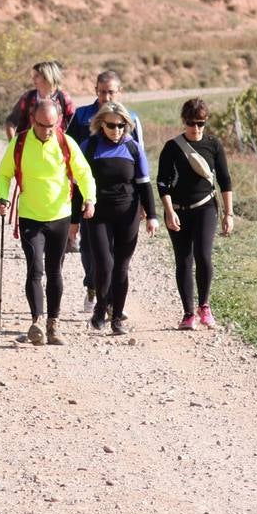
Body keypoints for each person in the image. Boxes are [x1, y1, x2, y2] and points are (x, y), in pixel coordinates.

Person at [0, 99, 95, 345]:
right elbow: (3, 173)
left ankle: (53, 324)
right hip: (30, 216)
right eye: (43, 125)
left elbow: (84, 173)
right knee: (35, 269)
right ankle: (37, 322)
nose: (48, 130)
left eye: (53, 124)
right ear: (32, 120)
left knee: (54, 270)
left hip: (60, 216)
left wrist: (90, 199)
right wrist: (2, 197)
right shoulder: (19, 143)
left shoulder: (65, 143)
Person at [66, 70, 145, 313]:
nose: (106, 96)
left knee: (115, 254)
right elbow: (69, 149)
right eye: (102, 91)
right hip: (91, 196)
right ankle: (92, 286)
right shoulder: (81, 116)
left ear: (119, 92)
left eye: (111, 91)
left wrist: (143, 204)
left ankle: (110, 301)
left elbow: (139, 158)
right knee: (91, 250)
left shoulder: (129, 117)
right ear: (96, 91)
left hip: (122, 199)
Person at [157, 98, 234, 331]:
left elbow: (224, 179)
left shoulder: (213, 145)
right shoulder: (172, 147)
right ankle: (188, 313)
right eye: (191, 123)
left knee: (203, 256)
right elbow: (162, 183)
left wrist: (229, 213)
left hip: (205, 208)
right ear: (184, 121)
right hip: (178, 211)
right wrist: (169, 212)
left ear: (206, 121)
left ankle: (204, 306)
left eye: (200, 123)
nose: (196, 128)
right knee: (183, 260)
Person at [81, 102, 158, 335]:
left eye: (122, 126)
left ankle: (116, 319)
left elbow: (144, 185)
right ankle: (101, 308)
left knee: (121, 267)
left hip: (128, 214)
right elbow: (79, 184)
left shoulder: (133, 148)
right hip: (98, 214)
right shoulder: (90, 146)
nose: (117, 131)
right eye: (112, 126)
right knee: (104, 265)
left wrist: (152, 216)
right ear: (101, 124)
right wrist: (75, 218)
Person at [4, 60, 75, 140]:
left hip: (56, 149)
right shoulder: (28, 98)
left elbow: (74, 125)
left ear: (48, 77)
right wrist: (13, 145)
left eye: (37, 76)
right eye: (33, 76)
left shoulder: (64, 98)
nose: (33, 79)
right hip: (29, 147)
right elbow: (10, 122)